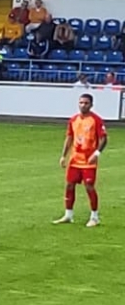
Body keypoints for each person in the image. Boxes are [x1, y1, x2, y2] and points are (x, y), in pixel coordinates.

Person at [55, 93, 108, 227]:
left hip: (88, 161)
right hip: (75, 160)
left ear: (91, 105)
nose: (83, 105)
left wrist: (96, 154)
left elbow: (104, 139)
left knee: (89, 186)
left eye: (86, 103)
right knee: (69, 185)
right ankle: (68, 215)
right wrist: (63, 156)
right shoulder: (73, 120)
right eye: (81, 103)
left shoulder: (96, 120)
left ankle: (95, 217)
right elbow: (69, 138)